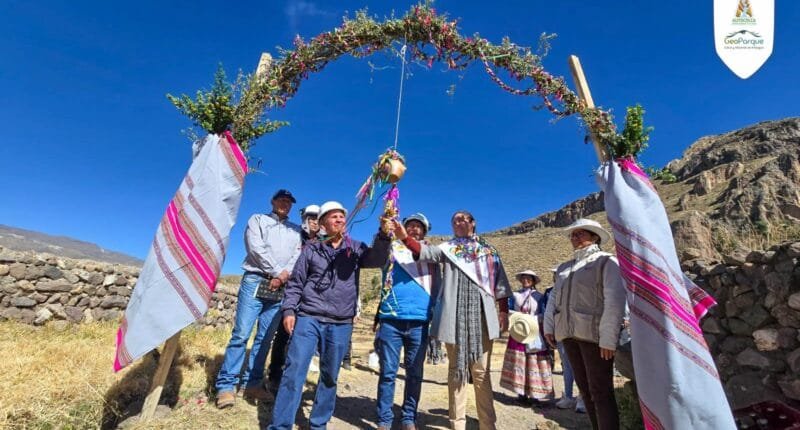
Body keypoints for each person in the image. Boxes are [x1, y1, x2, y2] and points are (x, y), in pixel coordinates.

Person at [268, 201, 394, 430]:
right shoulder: (312, 249)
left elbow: (376, 260)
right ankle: (280, 425)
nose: (339, 220)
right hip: (308, 317)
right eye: (333, 217)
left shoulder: (355, 249)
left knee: (329, 377)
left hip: (340, 322)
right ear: (324, 222)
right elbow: (296, 283)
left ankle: (318, 424)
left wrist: (384, 236)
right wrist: (289, 310)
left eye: (341, 217)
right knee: (294, 372)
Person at [395, 210, 511, 430]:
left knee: (480, 373)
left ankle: (488, 424)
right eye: (454, 220)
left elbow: (500, 283)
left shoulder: (489, 251)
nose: (458, 222)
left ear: (473, 223)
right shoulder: (448, 249)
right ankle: (457, 424)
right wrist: (404, 237)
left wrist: (503, 310)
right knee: (456, 372)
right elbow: (424, 252)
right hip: (453, 318)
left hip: (482, 319)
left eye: (462, 219)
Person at [215, 189, 302, 409]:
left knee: (265, 337)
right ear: (272, 201)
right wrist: (276, 272)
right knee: (242, 334)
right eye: (281, 200)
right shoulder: (258, 220)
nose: (285, 204)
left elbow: (297, 256)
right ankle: (226, 386)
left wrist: (282, 277)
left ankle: (252, 383)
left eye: (288, 202)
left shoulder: (296, 230)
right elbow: (255, 248)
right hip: (256, 279)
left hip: (280, 286)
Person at [543, 218, 626, 430]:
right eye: (573, 234)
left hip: (594, 337)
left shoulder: (607, 262)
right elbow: (554, 299)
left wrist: (608, 338)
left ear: (594, 236)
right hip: (569, 335)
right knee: (585, 390)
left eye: (580, 233)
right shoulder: (564, 268)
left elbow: (614, 300)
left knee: (601, 391)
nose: (574, 237)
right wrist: (549, 327)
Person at [374, 213, 441, 430]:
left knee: (414, 373)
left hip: (420, 321)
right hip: (391, 319)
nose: (413, 229)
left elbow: (438, 286)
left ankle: (408, 417)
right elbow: (376, 252)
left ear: (424, 231)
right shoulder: (392, 249)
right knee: (388, 372)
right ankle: (384, 419)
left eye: (418, 227)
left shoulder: (431, 253)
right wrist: (384, 228)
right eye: (409, 225)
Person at [267, 204, 320, 393]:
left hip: (312, 296)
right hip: (293, 290)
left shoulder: (324, 242)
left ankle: (295, 377)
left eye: (317, 218)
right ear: (305, 219)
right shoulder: (295, 236)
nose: (314, 222)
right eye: (311, 218)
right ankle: (275, 374)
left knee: (304, 338)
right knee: (283, 334)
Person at [500, 270, 555, 405]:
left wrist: (532, 319)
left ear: (533, 281)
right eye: (523, 278)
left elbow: (543, 313)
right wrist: (520, 318)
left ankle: (535, 394)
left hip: (534, 332)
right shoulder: (515, 295)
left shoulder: (540, 297)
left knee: (535, 363)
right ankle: (521, 394)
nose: (525, 280)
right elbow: (509, 310)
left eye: (528, 278)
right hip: (519, 333)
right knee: (520, 363)